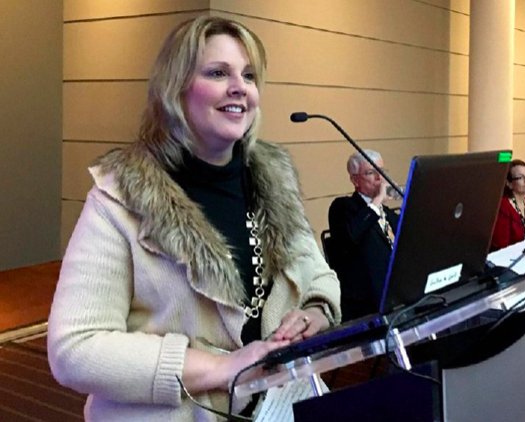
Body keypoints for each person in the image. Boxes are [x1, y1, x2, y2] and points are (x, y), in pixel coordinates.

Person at [47, 16, 340, 421]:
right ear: (175, 89)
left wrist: (314, 314)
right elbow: (74, 349)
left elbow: (320, 277)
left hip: (281, 406)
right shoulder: (118, 199)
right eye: (218, 73)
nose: (239, 87)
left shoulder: (275, 182)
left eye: (249, 75)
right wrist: (221, 368)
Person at [327, 150, 399, 321]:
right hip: (367, 303)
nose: (379, 178)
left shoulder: (387, 213)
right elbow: (350, 237)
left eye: (382, 171)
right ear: (355, 180)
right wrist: (377, 200)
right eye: (371, 172)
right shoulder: (344, 207)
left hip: (396, 296)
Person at [490, 159, 525, 251]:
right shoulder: (503, 207)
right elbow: (502, 246)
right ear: (509, 184)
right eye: (520, 177)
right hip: (508, 256)